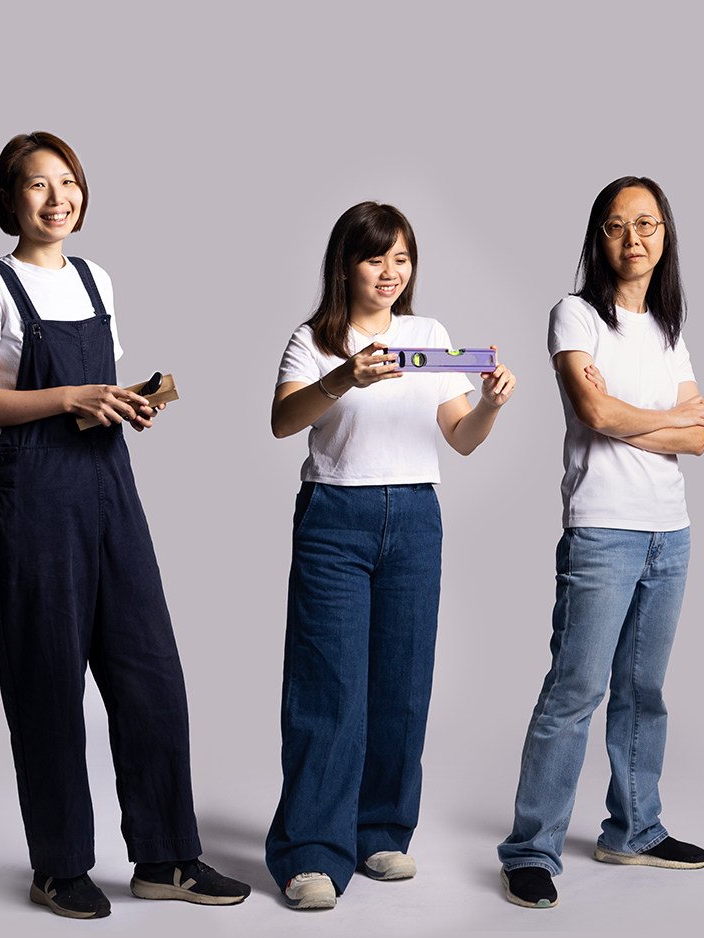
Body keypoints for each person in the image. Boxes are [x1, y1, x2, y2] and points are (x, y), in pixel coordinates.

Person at [0, 131, 251, 920]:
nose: (58, 199)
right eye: (38, 185)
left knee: (151, 673)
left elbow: (95, 387)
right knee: (46, 682)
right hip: (33, 500)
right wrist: (71, 398)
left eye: (69, 182)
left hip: (110, 487)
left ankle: (166, 857)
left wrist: (125, 400)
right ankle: (59, 866)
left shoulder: (94, 277)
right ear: (9, 199)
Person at [266, 201, 515, 911]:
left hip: (414, 516)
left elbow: (460, 437)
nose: (389, 271)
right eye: (375, 257)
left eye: (401, 258)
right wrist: (345, 377)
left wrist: (491, 404)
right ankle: (311, 852)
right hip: (335, 517)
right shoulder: (315, 338)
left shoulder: (428, 336)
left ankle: (380, 831)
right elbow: (284, 420)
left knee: (403, 683)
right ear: (346, 264)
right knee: (328, 686)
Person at [498, 176, 704, 909]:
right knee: (576, 690)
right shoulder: (575, 317)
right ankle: (530, 849)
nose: (634, 239)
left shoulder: (669, 328)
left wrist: (632, 418)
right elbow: (592, 412)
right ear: (599, 237)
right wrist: (661, 423)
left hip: (669, 532)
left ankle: (634, 830)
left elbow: (703, 434)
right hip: (602, 532)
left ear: (664, 236)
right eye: (619, 226)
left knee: (644, 692)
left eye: (647, 225)